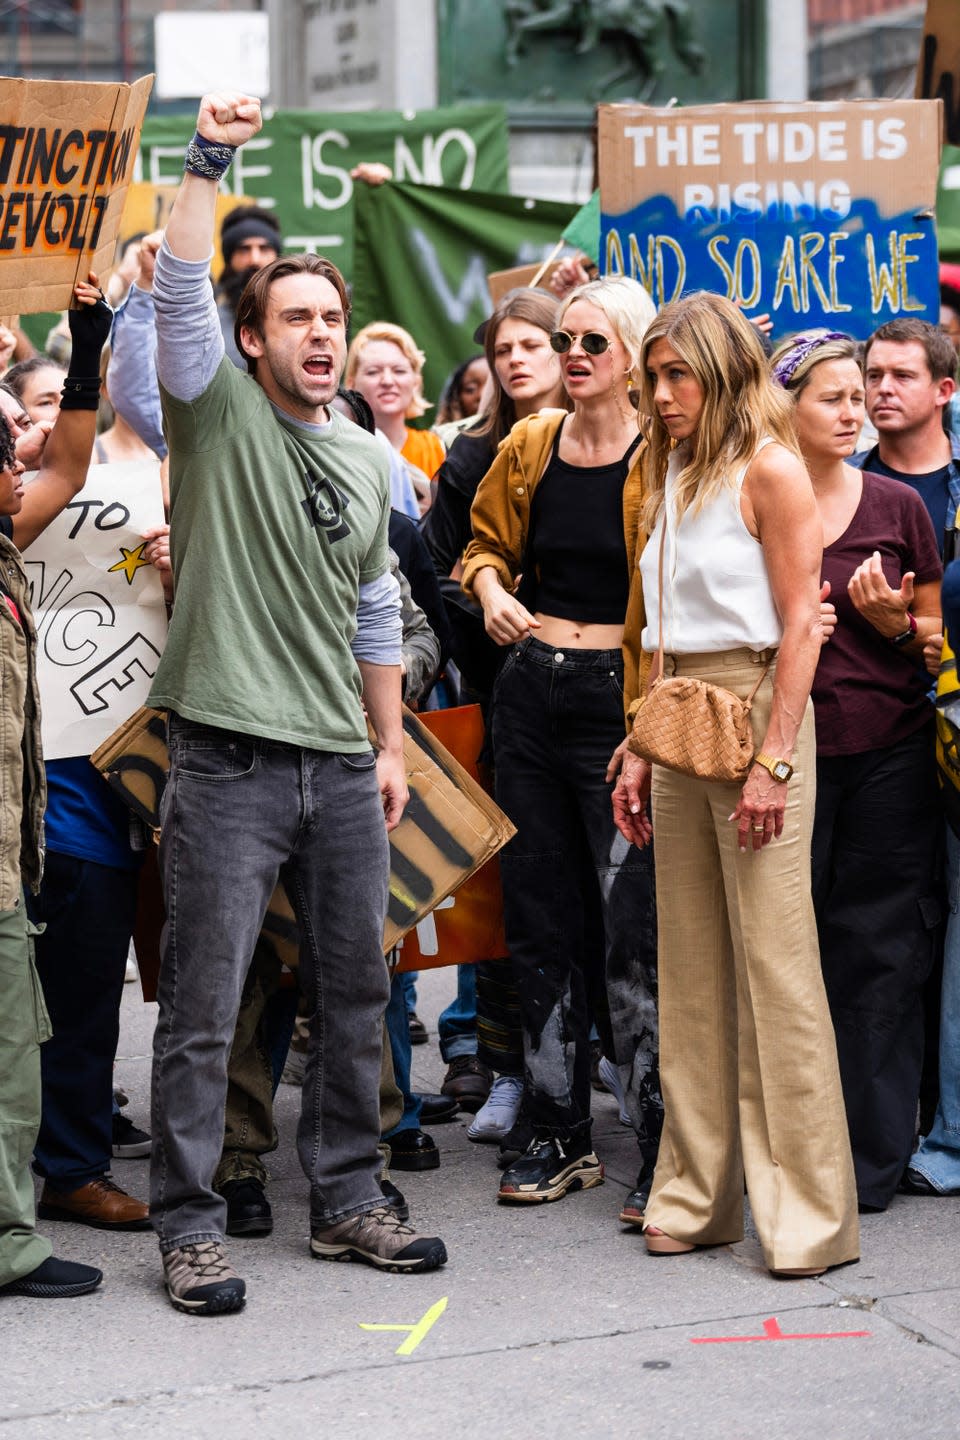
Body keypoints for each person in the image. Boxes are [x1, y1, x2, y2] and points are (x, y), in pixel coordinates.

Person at [146, 90, 445, 1315]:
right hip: (224, 762)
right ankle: (190, 1224)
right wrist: (210, 156)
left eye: (335, 317)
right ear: (253, 339)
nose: (322, 336)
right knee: (206, 1006)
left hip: (341, 763)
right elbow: (174, 285)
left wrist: (389, 743)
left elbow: (376, 608)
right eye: (299, 320)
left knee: (358, 995)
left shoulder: (373, 456)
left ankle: (347, 1201)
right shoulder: (213, 414)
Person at [614, 292, 859, 1275]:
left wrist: (775, 759)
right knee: (692, 971)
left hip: (759, 711)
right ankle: (694, 1193)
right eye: (655, 376)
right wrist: (639, 744)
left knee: (778, 970)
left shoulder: (772, 469)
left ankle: (807, 1214)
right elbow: (661, 628)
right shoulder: (667, 468)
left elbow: (803, 623)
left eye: (679, 375)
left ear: (724, 373)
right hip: (679, 720)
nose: (663, 394)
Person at [462, 275, 662, 1213]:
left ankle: (666, 1142)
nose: (573, 355)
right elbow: (480, 549)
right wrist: (495, 590)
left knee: (633, 931)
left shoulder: (664, 457)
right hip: (530, 696)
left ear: (631, 353)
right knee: (539, 918)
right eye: (565, 340)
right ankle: (559, 1129)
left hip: (619, 707)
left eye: (592, 341)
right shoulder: (530, 442)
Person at [773, 330, 943, 1212]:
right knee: (785, 953)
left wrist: (890, 627)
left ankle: (872, 1162)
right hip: (783, 756)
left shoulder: (896, 505)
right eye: (835, 397)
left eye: (861, 394)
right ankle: (796, 1150)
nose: (855, 411)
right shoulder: (753, 499)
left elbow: (933, 639)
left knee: (878, 953)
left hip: (887, 754)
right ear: (785, 409)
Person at [422, 287, 569, 1133]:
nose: (516, 360)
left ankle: (596, 1059)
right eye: (502, 348)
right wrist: (492, 607)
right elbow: (437, 578)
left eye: (533, 344)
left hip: (596, 694)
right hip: (504, 690)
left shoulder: (615, 449)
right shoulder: (473, 458)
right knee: (510, 891)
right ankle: (508, 1064)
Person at [0, 278, 118, 1302]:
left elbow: (73, 459)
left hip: (13, 845)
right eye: (4, 444)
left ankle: (19, 1226)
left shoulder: (8, 537)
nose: (21, 454)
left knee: (18, 1039)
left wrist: (86, 349)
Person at [345, 321, 445, 509]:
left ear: (416, 382)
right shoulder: (341, 452)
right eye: (373, 372)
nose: (388, 381)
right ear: (351, 384)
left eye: (399, 371)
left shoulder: (437, 449)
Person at [216, 203, 283, 367]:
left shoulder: (300, 305)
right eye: (244, 249)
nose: (255, 259)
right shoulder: (207, 312)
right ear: (229, 258)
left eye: (264, 248)